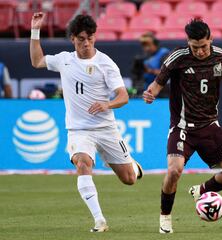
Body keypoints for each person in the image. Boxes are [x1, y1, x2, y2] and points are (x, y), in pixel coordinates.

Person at [29, 12, 143, 232]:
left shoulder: (105, 63)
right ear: (73, 39)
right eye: (81, 39)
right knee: (82, 162)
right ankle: (99, 221)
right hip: (79, 130)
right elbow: (37, 61)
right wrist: (35, 30)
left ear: (95, 37)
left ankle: (129, 165)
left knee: (129, 179)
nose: (86, 43)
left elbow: (123, 96)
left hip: (106, 129)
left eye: (90, 37)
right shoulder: (64, 60)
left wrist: (106, 104)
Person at [143, 19, 222, 234]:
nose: (200, 51)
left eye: (203, 46)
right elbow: (157, 84)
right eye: (195, 47)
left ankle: (201, 190)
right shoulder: (177, 58)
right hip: (183, 127)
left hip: (210, 126)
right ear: (188, 42)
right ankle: (165, 217)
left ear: (210, 39)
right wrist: (150, 94)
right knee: (174, 171)